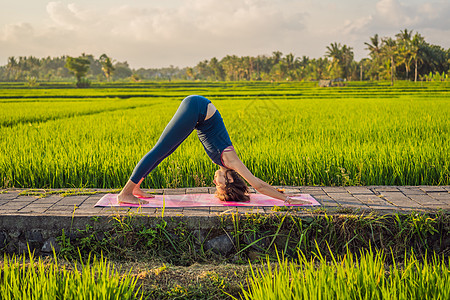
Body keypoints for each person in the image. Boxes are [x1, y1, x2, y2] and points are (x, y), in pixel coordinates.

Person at [118, 95, 309, 205]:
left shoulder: (224, 163)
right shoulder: (232, 162)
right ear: (230, 179)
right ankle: (125, 193)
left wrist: (282, 193)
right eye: (219, 184)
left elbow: (257, 186)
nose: (214, 181)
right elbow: (257, 185)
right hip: (197, 108)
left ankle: (136, 187)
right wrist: (286, 199)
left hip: (199, 115)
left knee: (166, 151)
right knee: (161, 149)